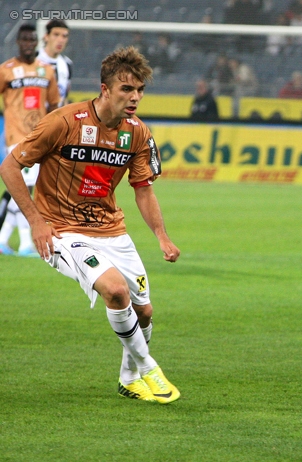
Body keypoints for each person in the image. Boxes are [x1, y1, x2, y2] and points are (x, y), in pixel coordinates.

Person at [0, 46, 181, 404]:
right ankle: (148, 368)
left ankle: (129, 379)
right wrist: (37, 222)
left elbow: (143, 189)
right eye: (126, 89)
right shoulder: (64, 121)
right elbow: (9, 167)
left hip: (111, 230)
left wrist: (162, 236)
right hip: (62, 231)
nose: (135, 97)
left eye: (140, 90)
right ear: (105, 89)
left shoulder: (138, 134)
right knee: (115, 291)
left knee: (144, 311)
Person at [0, 24, 60, 257]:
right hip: (16, 137)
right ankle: (26, 242)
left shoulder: (47, 71)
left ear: (37, 42)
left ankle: (3, 238)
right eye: (24, 40)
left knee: (26, 188)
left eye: (32, 40)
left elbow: (54, 105)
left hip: (39, 138)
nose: (28, 44)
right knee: (24, 187)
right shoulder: (6, 70)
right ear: (18, 42)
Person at [37, 19, 73, 106]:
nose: (60, 40)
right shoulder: (34, 59)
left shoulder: (67, 64)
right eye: (56, 35)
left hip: (56, 118)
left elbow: (64, 97)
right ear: (46, 36)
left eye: (64, 36)